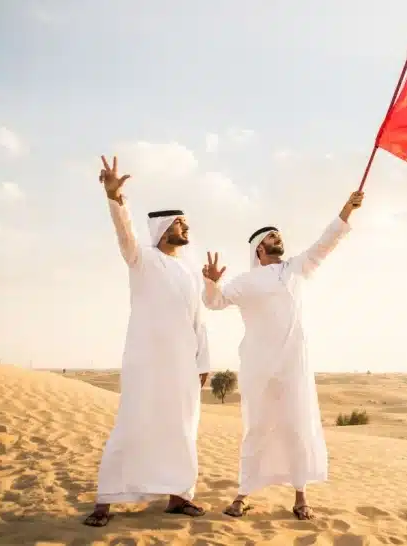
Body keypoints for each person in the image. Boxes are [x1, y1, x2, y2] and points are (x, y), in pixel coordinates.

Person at [201, 190, 364, 521]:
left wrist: (347, 210)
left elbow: (326, 243)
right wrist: (211, 284)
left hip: (293, 364)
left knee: (296, 426)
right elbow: (214, 303)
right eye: (274, 236)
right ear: (260, 247)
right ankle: (243, 494)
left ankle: (301, 496)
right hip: (259, 366)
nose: (280, 239)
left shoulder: (295, 269)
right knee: (258, 428)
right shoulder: (245, 281)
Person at [83, 155, 212, 527]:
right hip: (146, 362)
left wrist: (203, 363)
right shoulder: (143, 259)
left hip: (183, 366)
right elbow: (125, 234)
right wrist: (115, 199)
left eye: (186, 224)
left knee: (183, 429)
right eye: (180, 224)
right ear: (163, 229)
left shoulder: (188, 271)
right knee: (133, 424)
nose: (185, 229)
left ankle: (179, 496)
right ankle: (105, 500)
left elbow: (198, 321)